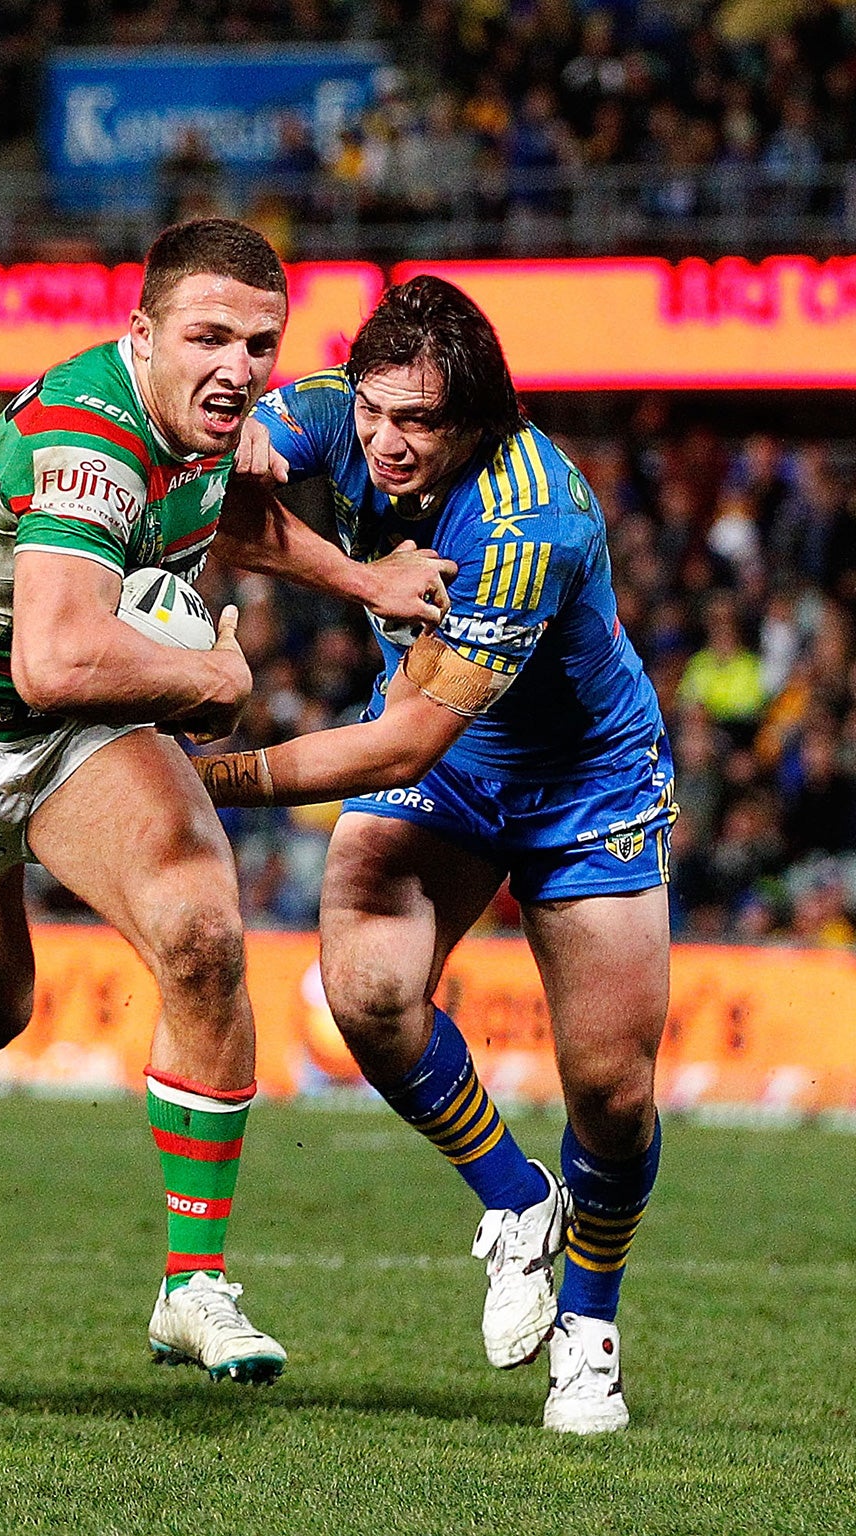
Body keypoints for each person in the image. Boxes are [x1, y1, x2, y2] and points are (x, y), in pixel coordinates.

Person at [0, 219, 455, 1385]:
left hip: (70, 731)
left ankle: (193, 1283)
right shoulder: (88, 436)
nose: (237, 364)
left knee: (199, 930)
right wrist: (212, 677)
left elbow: (219, 513)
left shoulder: (202, 423)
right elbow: (57, 657)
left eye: (259, 342)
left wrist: (358, 576)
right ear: (141, 336)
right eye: (208, 337)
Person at [201, 275, 674, 1434]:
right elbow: (240, 465)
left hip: (577, 780)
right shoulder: (335, 413)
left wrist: (215, 779)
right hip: (450, 753)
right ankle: (515, 1201)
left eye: (418, 422)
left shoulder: (529, 521)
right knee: (363, 991)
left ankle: (589, 1327)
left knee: (609, 1095)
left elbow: (397, 743)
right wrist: (250, 446)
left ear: (478, 419)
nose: (385, 441)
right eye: (373, 412)